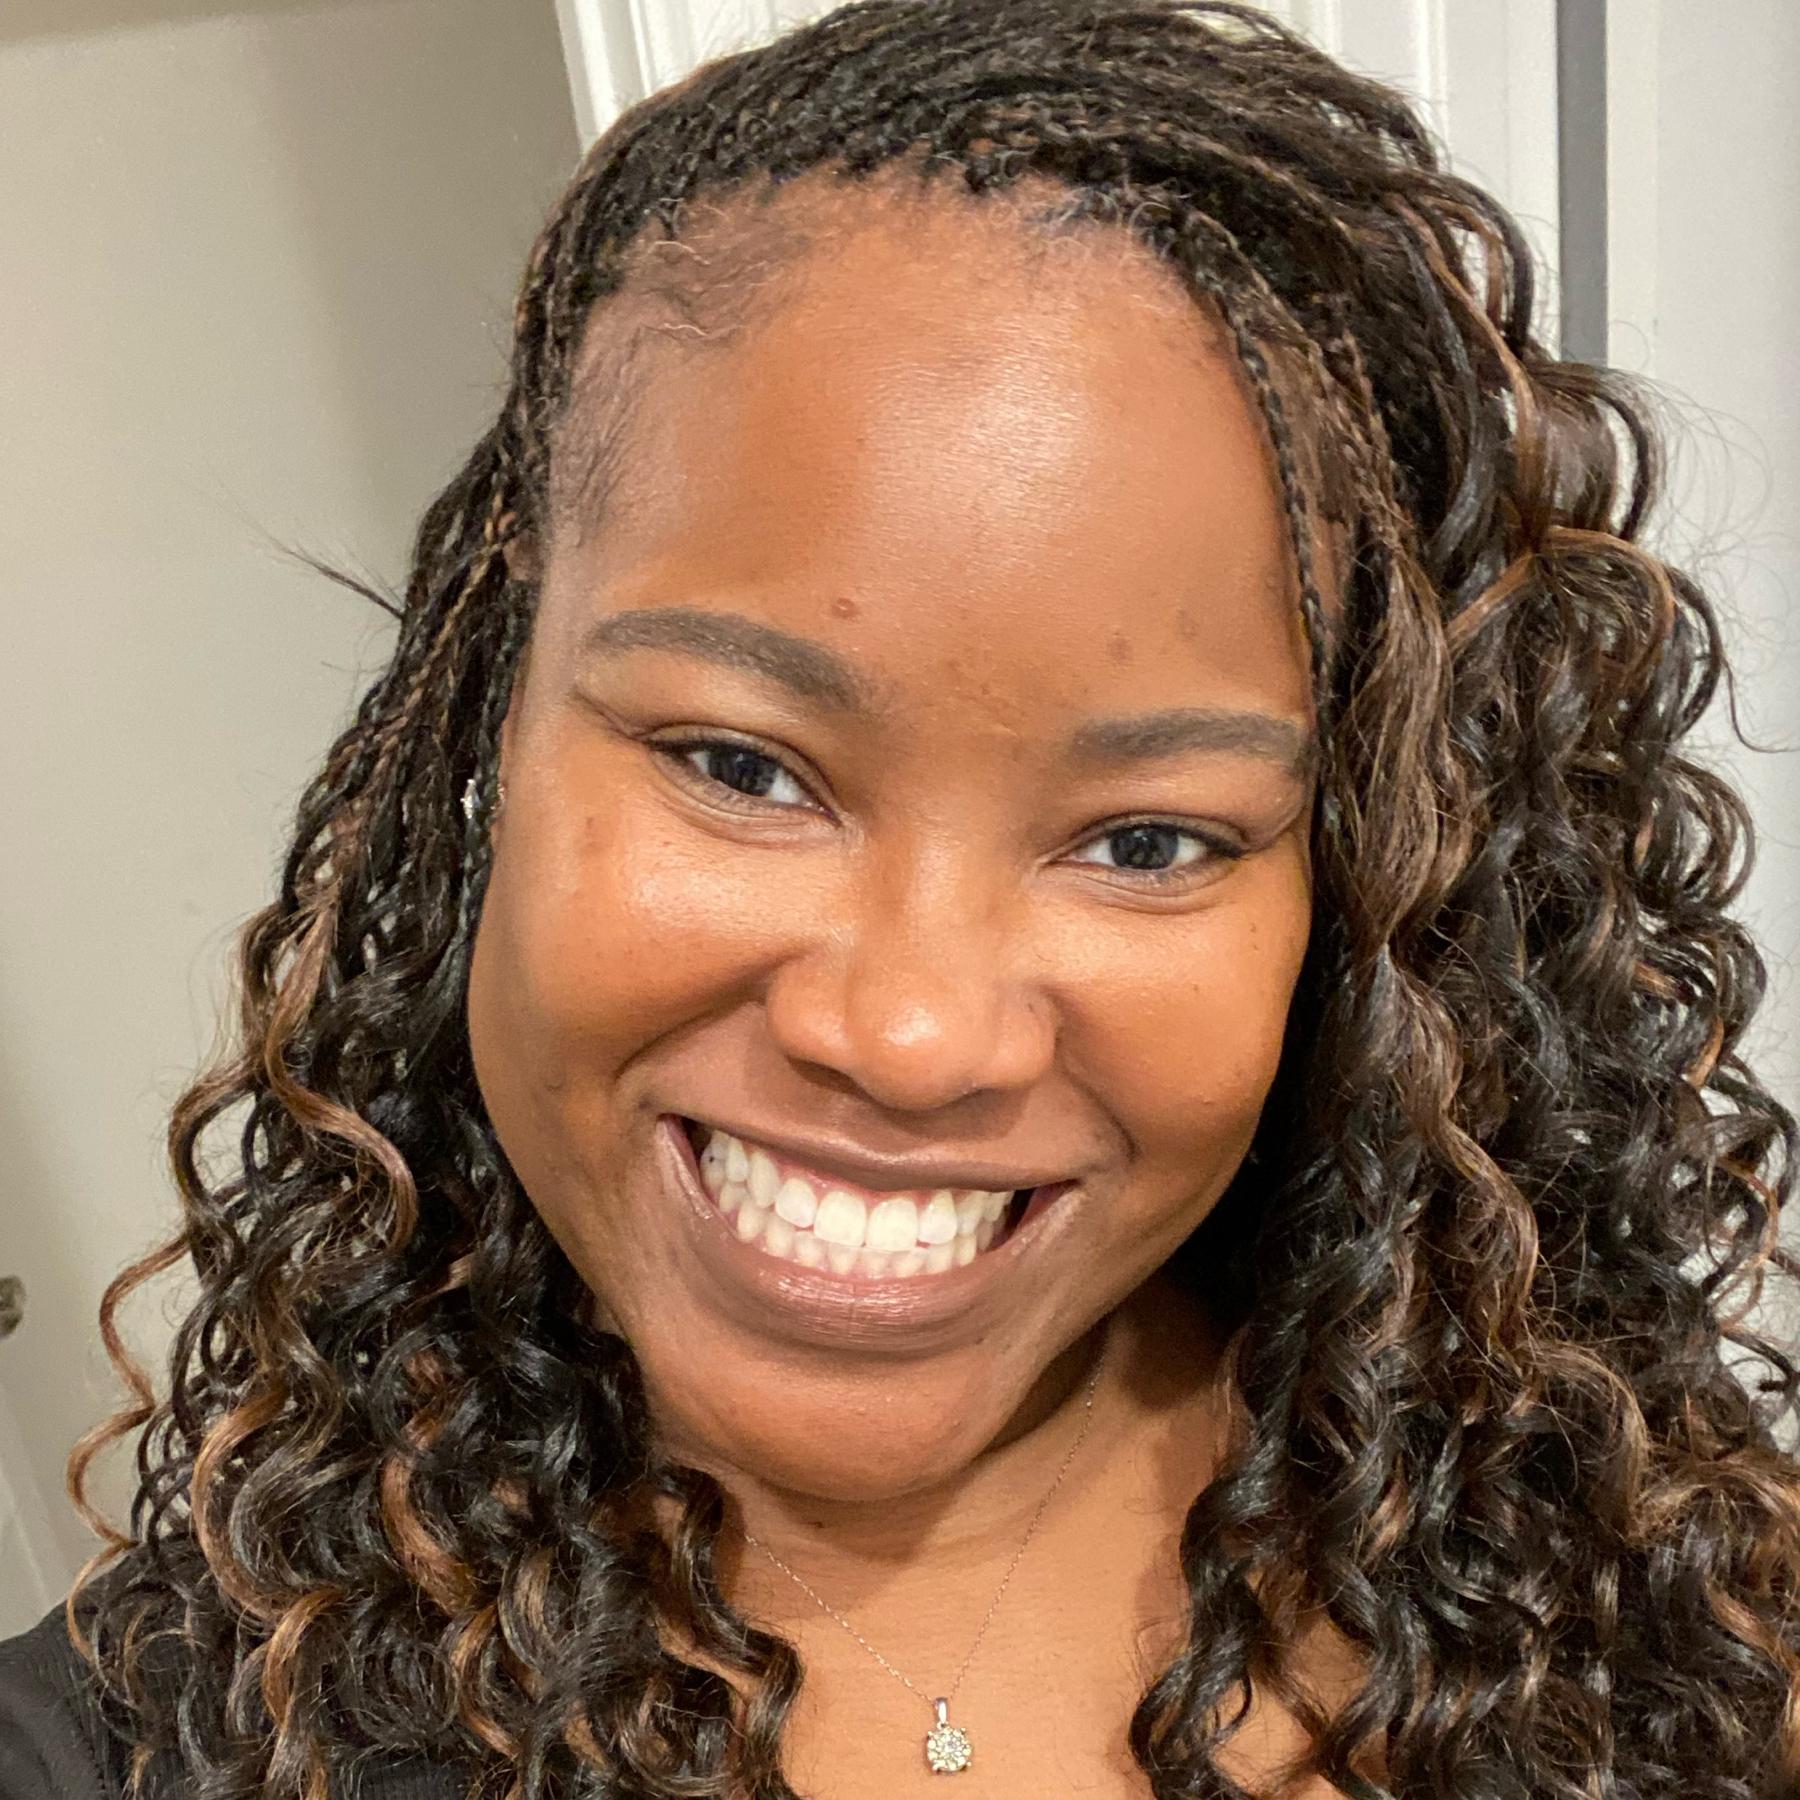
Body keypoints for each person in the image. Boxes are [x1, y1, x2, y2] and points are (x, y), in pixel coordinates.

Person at [4, 0, 1798, 1794]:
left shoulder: (1653, 1606)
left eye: (1149, 842)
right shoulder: (132, 1748)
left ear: (1351, 899)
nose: (915, 1036)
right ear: (491, 728)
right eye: (740, 766)